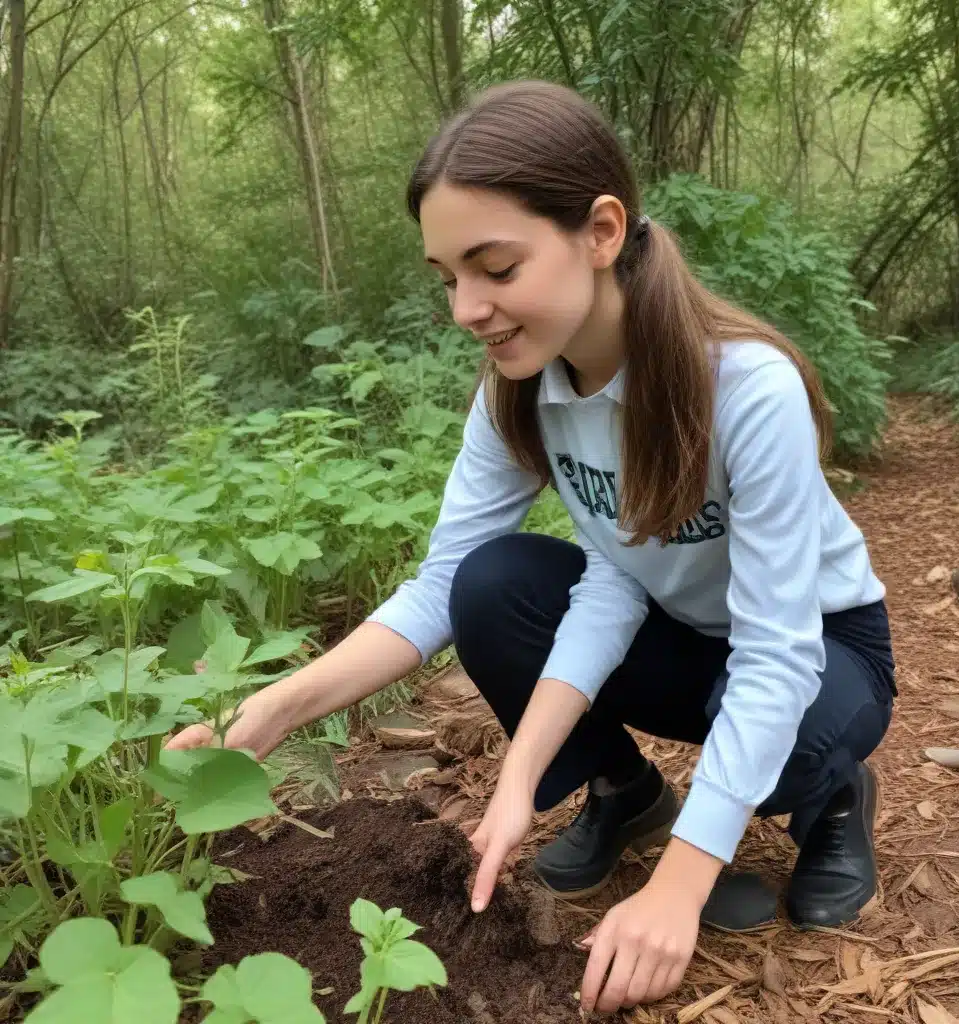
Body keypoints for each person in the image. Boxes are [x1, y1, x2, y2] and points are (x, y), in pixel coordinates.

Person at [167, 80, 897, 1015]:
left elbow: (775, 653)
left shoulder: (743, 389)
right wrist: (274, 709)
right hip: (681, 630)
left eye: (495, 267)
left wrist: (679, 888)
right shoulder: (520, 391)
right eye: (448, 278)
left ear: (599, 232)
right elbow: (496, 591)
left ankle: (833, 798)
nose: (468, 307)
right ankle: (626, 794)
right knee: (493, 584)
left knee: (781, 730)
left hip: (821, 645)